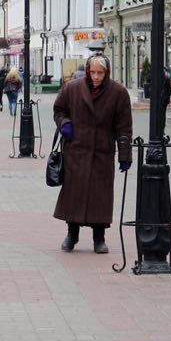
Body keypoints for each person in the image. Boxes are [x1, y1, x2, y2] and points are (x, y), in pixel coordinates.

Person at [52, 55, 133, 254]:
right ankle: (72, 234)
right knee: (74, 194)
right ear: (87, 71)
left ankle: (99, 238)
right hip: (76, 150)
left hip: (102, 153)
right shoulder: (72, 88)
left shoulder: (118, 93)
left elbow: (124, 127)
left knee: (101, 197)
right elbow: (59, 110)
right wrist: (65, 124)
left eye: (100, 73)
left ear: (107, 73)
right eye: (93, 72)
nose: (96, 77)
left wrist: (125, 155)